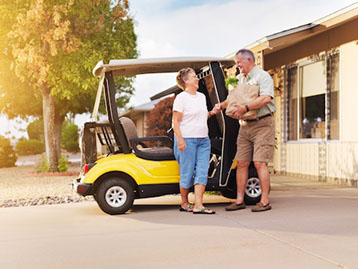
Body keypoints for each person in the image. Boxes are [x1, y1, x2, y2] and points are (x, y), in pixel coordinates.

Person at [213, 49, 277, 212]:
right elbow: (232, 99)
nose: (237, 65)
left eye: (239, 62)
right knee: (241, 163)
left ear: (249, 60)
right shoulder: (238, 79)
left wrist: (245, 107)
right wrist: (221, 105)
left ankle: (264, 201)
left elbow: (266, 98)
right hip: (245, 125)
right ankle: (239, 200)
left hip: (263, 123)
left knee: (259, 163)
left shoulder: (263, 77)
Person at [172, 67, 220, 214]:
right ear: (186, 81)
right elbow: (176, 121)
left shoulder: (201, 97)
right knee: (187, 173)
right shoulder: (181, 98)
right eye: (194, 76)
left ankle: (198, 205)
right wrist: (180, 140)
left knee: (202, 171)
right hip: (187, 140)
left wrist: (212, 112)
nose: (197, 78)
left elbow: (201, 116)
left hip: (203, 140)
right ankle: (185, 202)